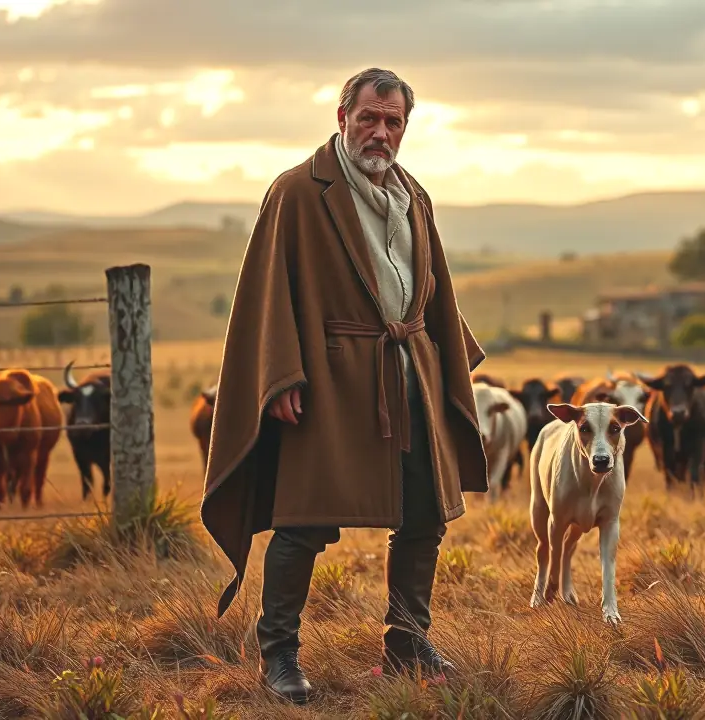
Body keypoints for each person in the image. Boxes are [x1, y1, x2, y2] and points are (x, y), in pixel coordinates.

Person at [199, 67, 490, 705]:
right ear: (343, 119)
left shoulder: (414, 194)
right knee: (304, 519)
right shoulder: (299, 191)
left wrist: (445, 363)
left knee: (424, 514)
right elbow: (268, 288)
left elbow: (432, 286)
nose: (380, 132)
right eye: (369, 118)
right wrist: (280, 374)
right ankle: (279, 654)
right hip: (328, 380)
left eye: (393, 121)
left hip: (408, 373)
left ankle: (407, 642)